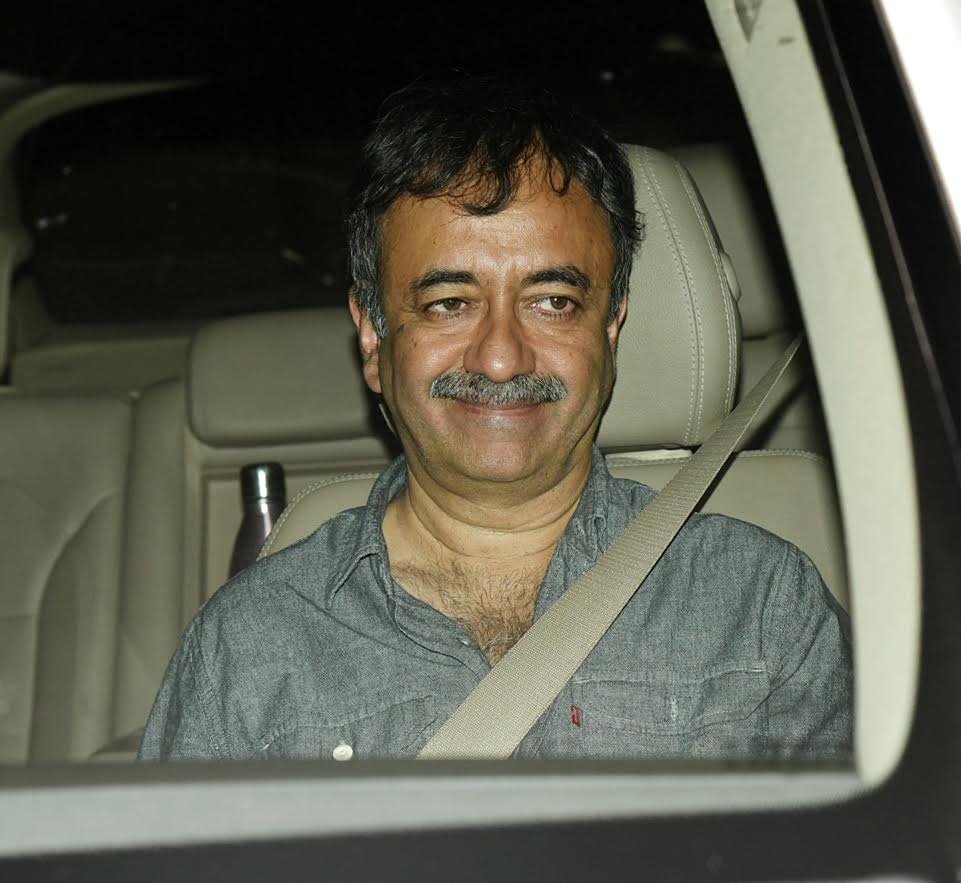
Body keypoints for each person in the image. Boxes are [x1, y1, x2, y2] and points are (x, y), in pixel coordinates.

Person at [139, 76, 851, 762]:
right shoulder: (249, 647)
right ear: (373, 335)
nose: (503, 358)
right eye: (450, 303)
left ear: (611, 328)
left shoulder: (762, 610)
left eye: (553, 302)